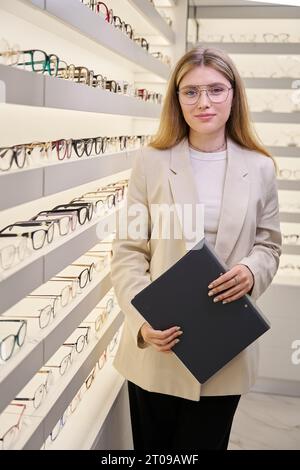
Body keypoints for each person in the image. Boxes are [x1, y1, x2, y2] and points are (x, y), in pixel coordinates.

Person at [110, 46, 282, 450]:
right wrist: (142, 319)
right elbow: (129, 250)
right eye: (190, 92)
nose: (203, 102)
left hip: (223, 350)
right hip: (158, 347)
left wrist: (252, 271)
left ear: (234, 95)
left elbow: (269, 245)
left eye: (216, 90)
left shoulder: (258, 167)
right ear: (177, 100)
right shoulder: (151, 161)